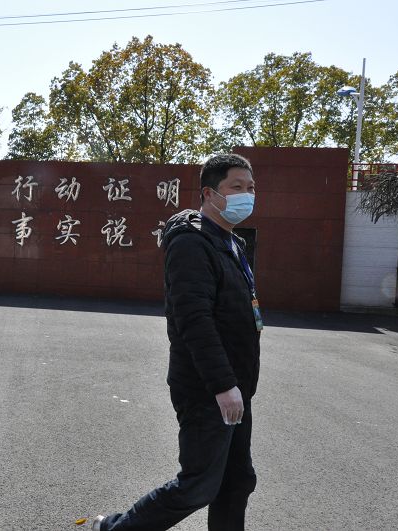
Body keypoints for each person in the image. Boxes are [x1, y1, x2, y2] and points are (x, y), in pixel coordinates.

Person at [93, 154, 261, 531]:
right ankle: (115, 528)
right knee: (198, 485)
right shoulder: (192, 244)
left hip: (235, 385)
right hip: (208, 388)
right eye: (236, 187)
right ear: (209, 194)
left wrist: (236, 385)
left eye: (251, 188)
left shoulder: (231, 242)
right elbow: (193, 320)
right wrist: (223, 385)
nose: (247, 195)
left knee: (236, 482)